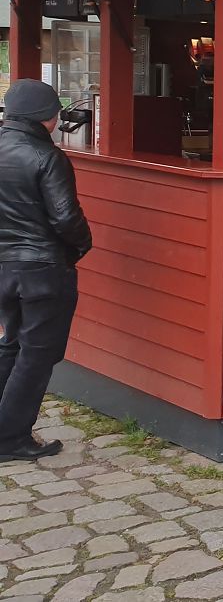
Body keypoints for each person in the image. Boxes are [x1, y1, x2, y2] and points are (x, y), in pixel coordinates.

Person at [0, 79, 93, 462]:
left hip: (4, 268)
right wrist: (79, 247)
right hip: (42, 269)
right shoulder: (47, 157)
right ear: (47, 117)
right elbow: (66, 218)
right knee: (37, 354)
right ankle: (10, 439)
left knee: (12, 343)